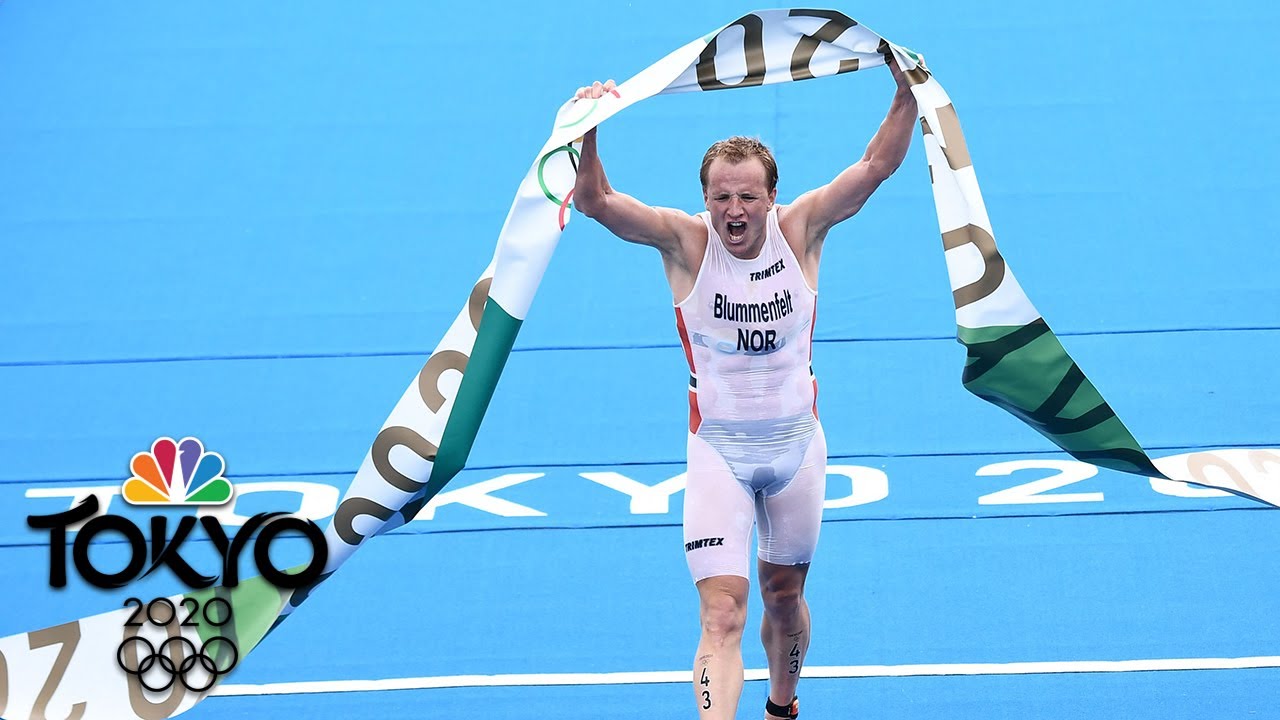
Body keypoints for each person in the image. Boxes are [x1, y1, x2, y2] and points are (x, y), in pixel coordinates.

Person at [571, 60, 917, 720]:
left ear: (772, 197)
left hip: (796, 450)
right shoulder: (685, 243)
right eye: (722, 197)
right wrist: (588, 129)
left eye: (749, 197)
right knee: (722, 614)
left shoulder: (801, 229)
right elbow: (597, 202)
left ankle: (781, 707)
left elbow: (876, 166)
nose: (735, 211)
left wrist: (906, 93)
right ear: (705, 199)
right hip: (717, 453)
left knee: (783, 598)